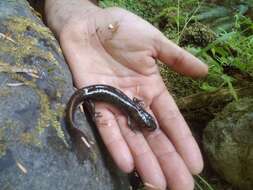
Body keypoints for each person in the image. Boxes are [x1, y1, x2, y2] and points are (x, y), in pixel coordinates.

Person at [43, 0, 208, 189]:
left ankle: (76, 118)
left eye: (146, 123)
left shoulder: (134, 110)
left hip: (96, 90)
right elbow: (132, 120)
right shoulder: (132, 115)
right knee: (90, 97)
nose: (147, 124)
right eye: (146, 123)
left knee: (90, 96)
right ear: (141, 117)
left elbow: (135, 108)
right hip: (95, 91)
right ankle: (75, 121)